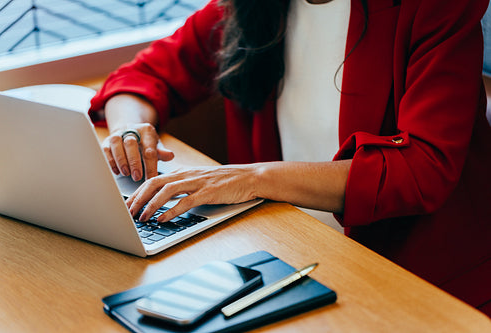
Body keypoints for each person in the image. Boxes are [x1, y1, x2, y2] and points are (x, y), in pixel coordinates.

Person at [89, 0, 491, 316]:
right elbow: (142, 77)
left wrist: (252, 178)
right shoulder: (250, 7)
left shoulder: (435, 6)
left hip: (419, 281)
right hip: (289, 259)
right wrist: (131, 128)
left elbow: (422, 170)